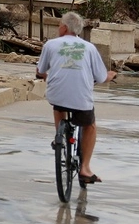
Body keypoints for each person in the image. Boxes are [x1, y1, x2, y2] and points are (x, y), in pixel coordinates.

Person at [36, 12, 116, 186]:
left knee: (58, 105)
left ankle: (60, 137)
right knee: (90, 125)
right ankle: (85, 168)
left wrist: (44, 75)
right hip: (80, 99)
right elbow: (101, 77)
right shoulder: (89, 48)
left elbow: (41, 71)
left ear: (64, 27)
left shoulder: (50, 45)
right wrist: (110, 75)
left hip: (56, 95)